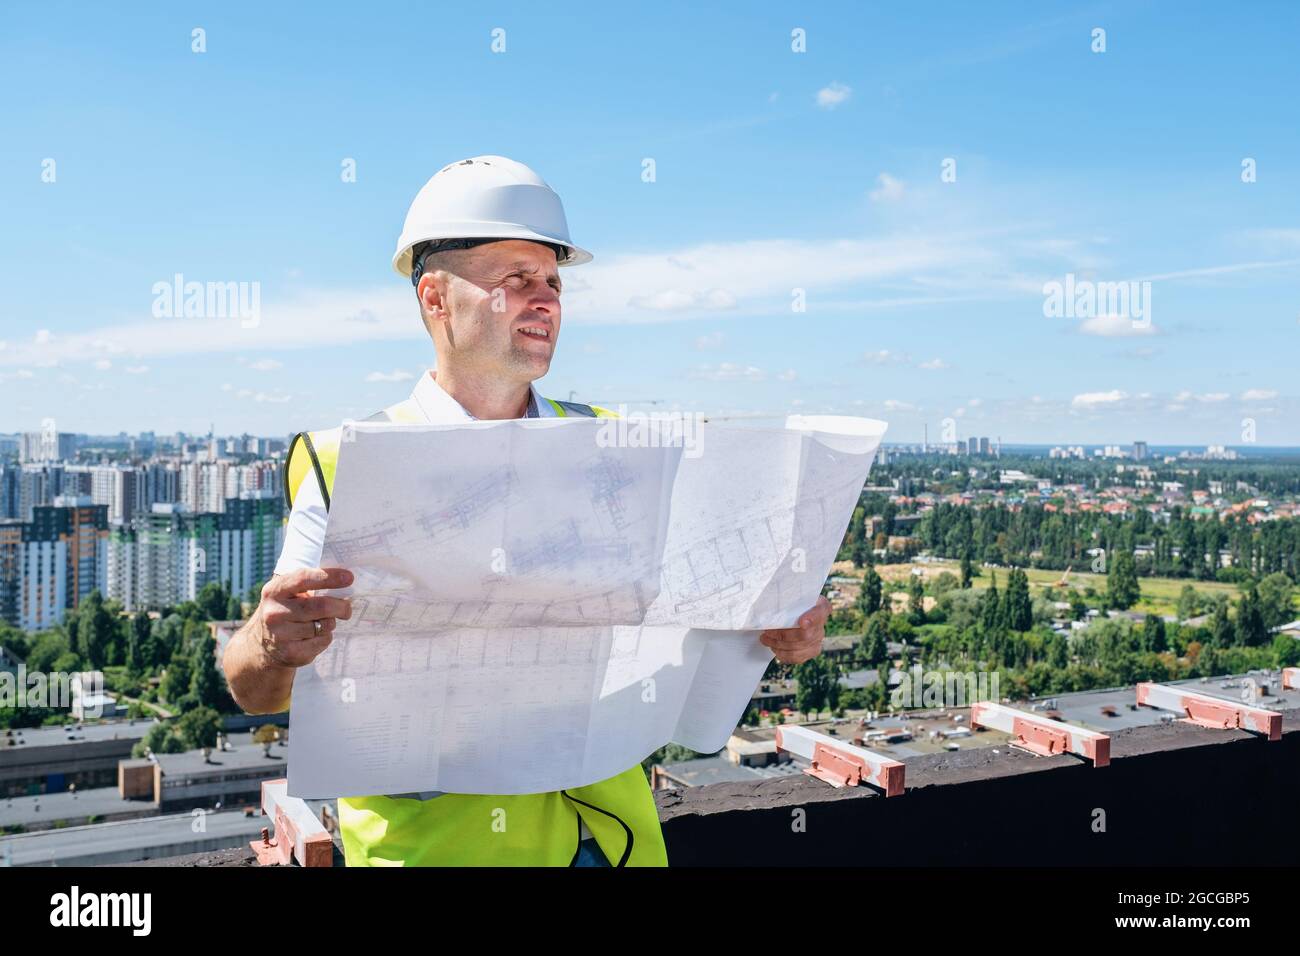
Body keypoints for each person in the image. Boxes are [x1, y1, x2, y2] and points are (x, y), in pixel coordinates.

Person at [221, 155, 832, 866]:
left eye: (552, 282)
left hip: (614, 840)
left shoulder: (618, 446)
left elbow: (700, 603)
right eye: (516, 280)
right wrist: (270, 640)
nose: (545, 300)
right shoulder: (348, 464)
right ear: (435, 299)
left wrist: (778, 623)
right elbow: (253, 688)